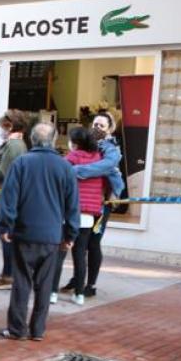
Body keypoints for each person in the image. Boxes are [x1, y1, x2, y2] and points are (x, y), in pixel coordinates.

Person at [0, 123, 78, 341]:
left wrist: (5, 225)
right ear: (53, 140)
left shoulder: (21, 163)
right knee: (45, 284)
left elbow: (9, 197)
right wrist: (70, 234)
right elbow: (72, 205)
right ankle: (38, 330)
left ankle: (16, 329)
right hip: (51, 236)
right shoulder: (65, 167)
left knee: (21, 282)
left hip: (24, 233)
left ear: (32, 139)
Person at [67, 112, 125, 298]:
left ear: (110, 129)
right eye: (95, 124)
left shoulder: (111, 148)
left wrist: (77, 170)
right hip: (86, 200)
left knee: (93, 243)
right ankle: (78, 278)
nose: (97, 128)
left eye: (101, 125)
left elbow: (106, 166)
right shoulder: (88, 145)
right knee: (79, 243)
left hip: (103, 202)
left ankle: (91, 284)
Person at [54, 127, 105, 306]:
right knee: (80, 255)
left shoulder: (71, 158)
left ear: (75, 143)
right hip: (88, 215)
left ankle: (52, 292)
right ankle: (79, 294)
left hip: (69, 212)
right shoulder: (99, 160)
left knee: (60, 253)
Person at [0, 109, 29, 291]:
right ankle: (7, 273)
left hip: (5, 196)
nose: (1, 130)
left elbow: (3, 173)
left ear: (10, 126)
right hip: (7, 196)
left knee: (6, 236)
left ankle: (8, 275)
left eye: (3, 126)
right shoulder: (17, 145)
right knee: (7, 236)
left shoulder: (14, 146)